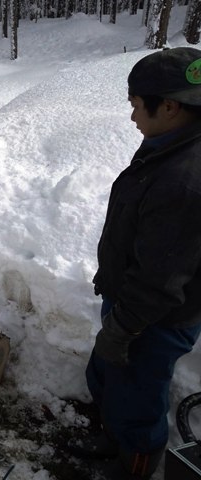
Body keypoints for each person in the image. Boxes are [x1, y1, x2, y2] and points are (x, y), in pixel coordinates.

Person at [73, 47, 201, 479]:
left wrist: (125, 328)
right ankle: (113, 437)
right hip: (135, 302)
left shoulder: (185, 178)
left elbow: (161, 277)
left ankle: (134, 466)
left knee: (138, 398)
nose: (131, 118)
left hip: (154, 319)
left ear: (169, 106)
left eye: (135, 106)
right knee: (110, 378)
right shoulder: (170, 144)